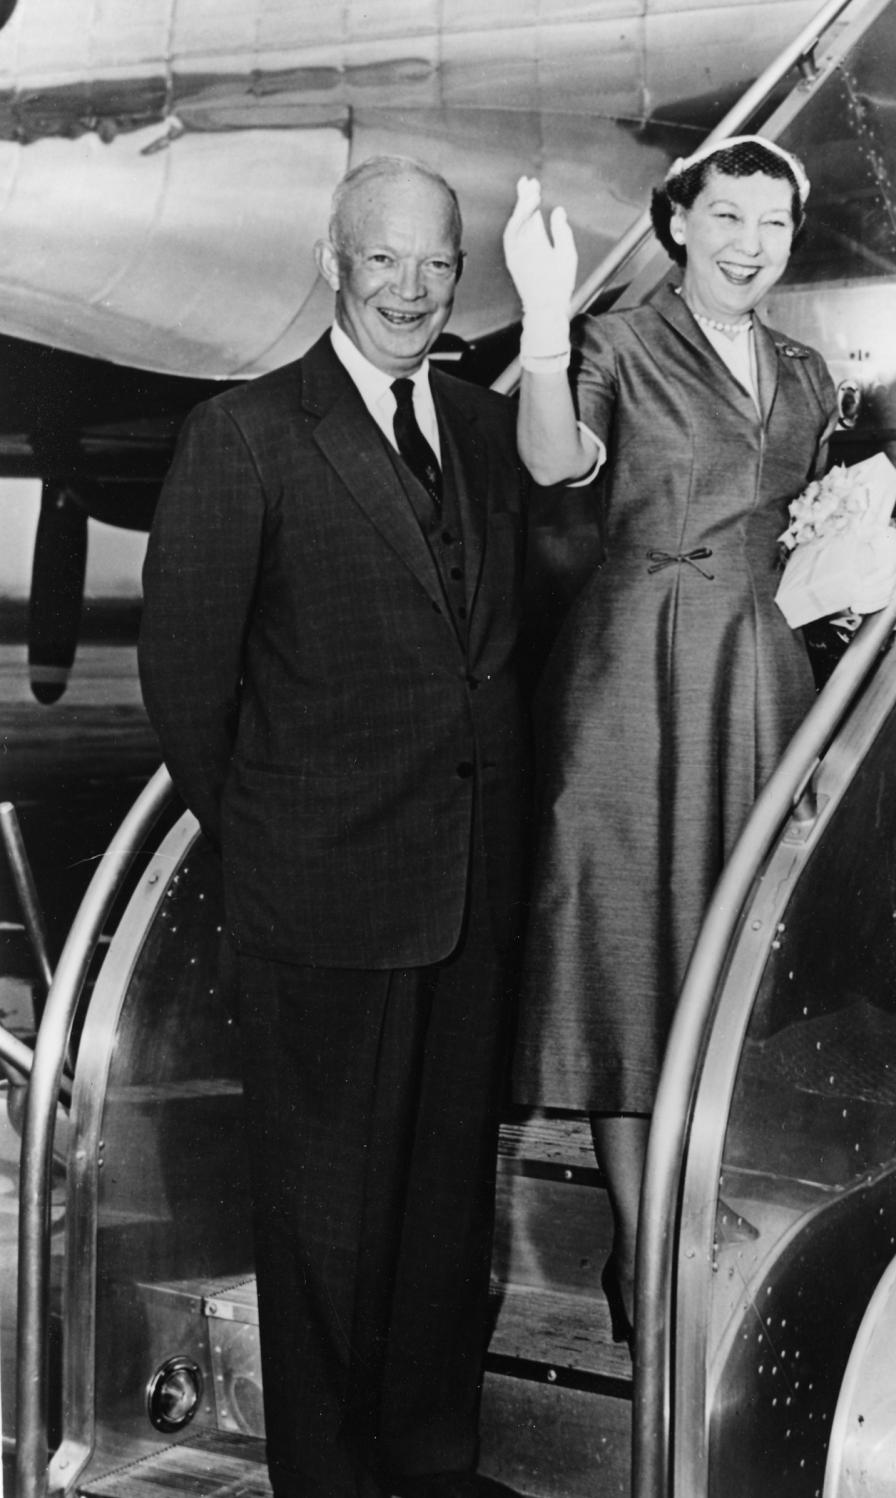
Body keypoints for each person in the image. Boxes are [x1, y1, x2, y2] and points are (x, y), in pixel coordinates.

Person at [139, 156, 530, 1498]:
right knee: (324, 1230)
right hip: (323, 901)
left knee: (439, 1216)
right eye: (385, 261)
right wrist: (277, 849)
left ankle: (431, 1464)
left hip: (466, 899)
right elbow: (187, 684)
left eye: (437, 263)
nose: (413, 290)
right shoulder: (246, 434)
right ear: (333, 261)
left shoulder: (480, 428)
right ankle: (333, 1480)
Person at [501, 135, 839, 1335]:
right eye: (729, 218)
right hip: (633, 672)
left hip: (762, 674)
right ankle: (644, 1246)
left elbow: (797, 520)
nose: (753, 244)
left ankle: (701, 1201)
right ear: (679, 224)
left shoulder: (808, 373)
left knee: (734, 949)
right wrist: (547, 325)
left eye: (775, 224)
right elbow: (555, 462)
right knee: (627, 953)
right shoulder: (617, 345)